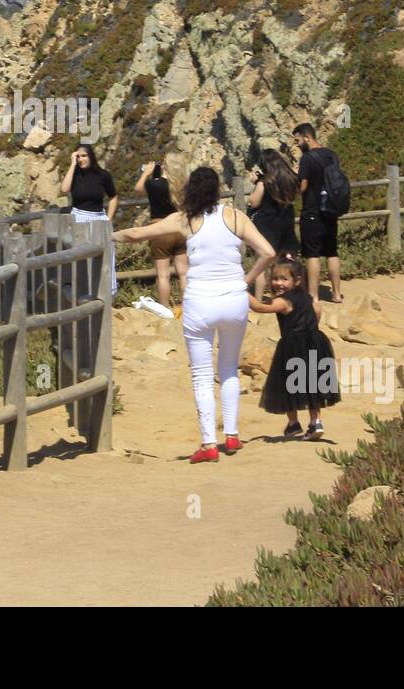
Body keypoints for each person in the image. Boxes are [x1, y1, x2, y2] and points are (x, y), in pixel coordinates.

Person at [114, 166, 276, 463]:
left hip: (200, 302)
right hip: (233, 300)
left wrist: (106, 235)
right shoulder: (236, 216)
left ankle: (208, 444)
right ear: (216, 189)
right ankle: (232, 434)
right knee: (228, 368)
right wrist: (246, 280)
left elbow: (137, 234)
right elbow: (267, 252)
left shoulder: (184, 219)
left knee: (202, 375)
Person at [250, 255, 340, 440]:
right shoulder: (307, 297)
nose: (278, 283)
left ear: (297, 280)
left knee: (287, 384)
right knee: (312, 383)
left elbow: (260, 307)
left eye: (284, 279)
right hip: (315, 341)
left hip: (292, 345)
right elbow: (317, 311)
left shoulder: (284, 301)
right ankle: (315, 422)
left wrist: (239, 292)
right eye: (275, 278)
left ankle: (293, 423)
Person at [292, 123, 344, 303]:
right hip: (331, 209)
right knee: (331, 251)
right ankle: (336, 294)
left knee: (312, 254)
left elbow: (303, 186)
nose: (297, 145)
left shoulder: (307, 158)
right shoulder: (332, 154)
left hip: (313, 210)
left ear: (307, 137)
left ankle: (313, 296)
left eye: (298, 140)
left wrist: (296, 176)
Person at [61, 143, 118, 295]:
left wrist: (108, 219)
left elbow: (113, 197)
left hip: (99, 219)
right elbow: (64, 189)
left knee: (105, 256)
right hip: (78, 217)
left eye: (84, 156)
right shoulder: (75, 174)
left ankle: (105, 293)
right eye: (78, 156)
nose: (81, 159)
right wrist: (72, 164)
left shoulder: (103, 175)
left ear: (91, 156)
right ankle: (81, 293)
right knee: (81, 258)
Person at [134, 162, 187, 310]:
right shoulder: (182, 185)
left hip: (160, 229)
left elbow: (137, 189)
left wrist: (146, 173)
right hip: (180, 229)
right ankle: (186, 307)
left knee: (163, 275)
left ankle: (165, 308)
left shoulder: (155, 184)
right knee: (183, 273)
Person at [247, 148, 299, 298]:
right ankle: (286, 295)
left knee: (261, 265)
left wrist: (255, 183)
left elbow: (254, 202)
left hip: (267, 225)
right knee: (284, 261)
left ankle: (259, 299)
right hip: (286, 222)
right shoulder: (290, 178)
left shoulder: (264, 182)